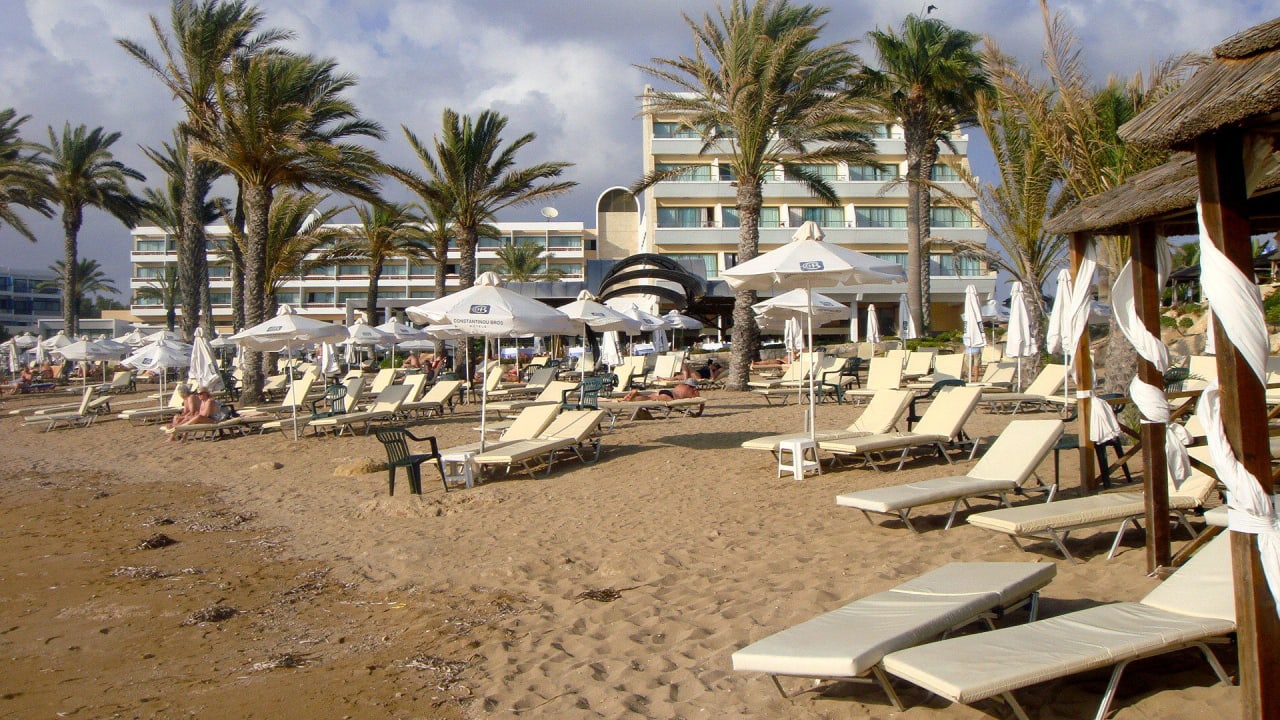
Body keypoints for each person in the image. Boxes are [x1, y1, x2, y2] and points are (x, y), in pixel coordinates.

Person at [622, 378, 700, 401]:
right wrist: (699, 412)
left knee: (648, 397)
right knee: (649, 399)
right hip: (670, 396)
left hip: (666, 391)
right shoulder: (692, 390)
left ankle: (633, 395)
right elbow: (700, 400)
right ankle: (633, 398)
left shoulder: (680, 385)